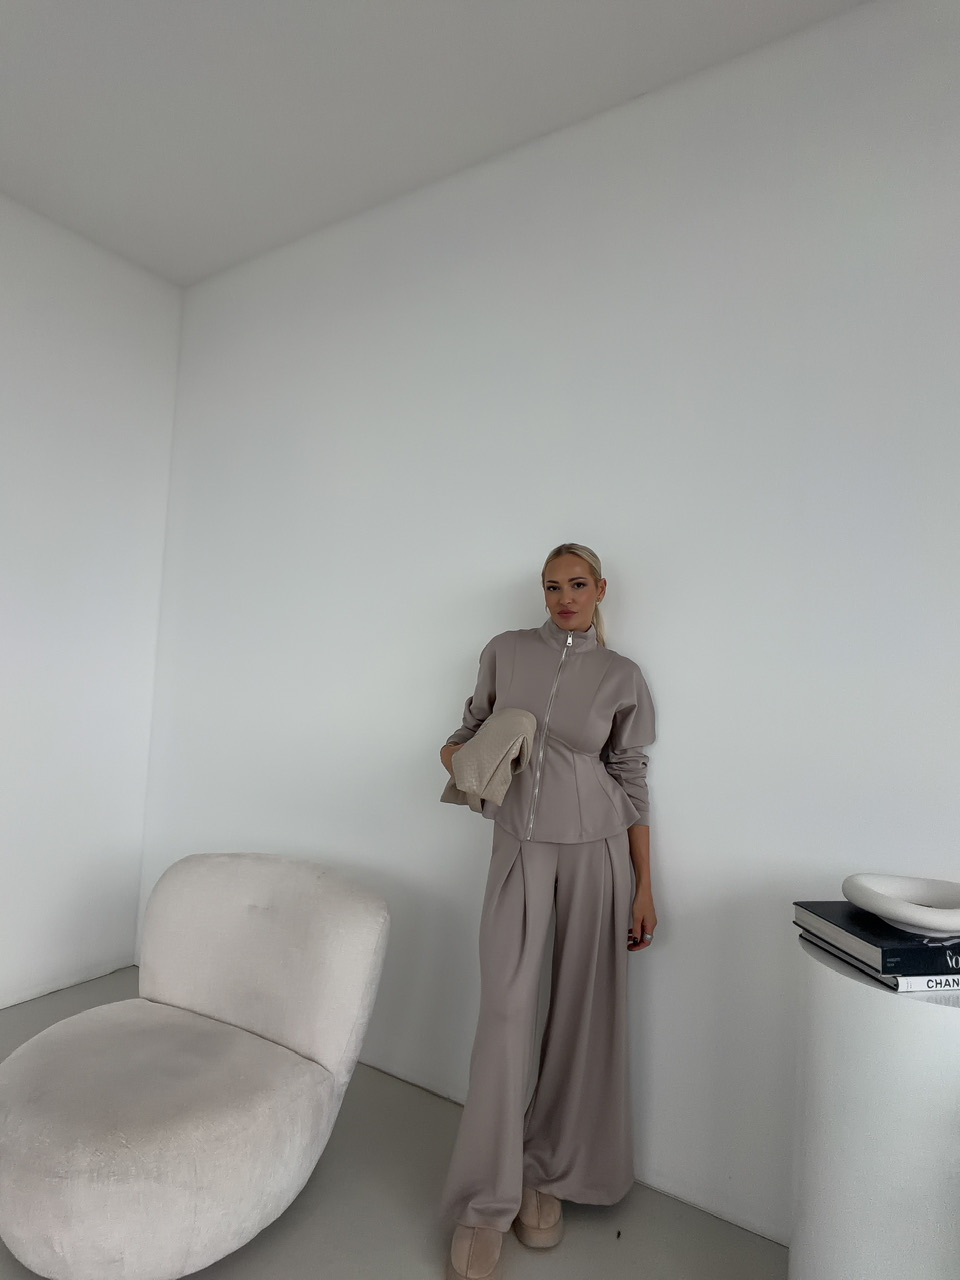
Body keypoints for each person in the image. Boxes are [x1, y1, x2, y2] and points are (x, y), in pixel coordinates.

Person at [439, 543, 657, 1280]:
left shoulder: (622, 675)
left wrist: (644, 885)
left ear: (600, 589)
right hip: (519, 852)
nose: (564, 598)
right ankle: (484, 1202)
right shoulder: (504, 652)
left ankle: (549, 1171)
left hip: (598, 855)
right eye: (551, 586)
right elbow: (458, 740)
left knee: (579, 1020)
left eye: (577, 585)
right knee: (505, 1016)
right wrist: (483, 751)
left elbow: (631, 779)